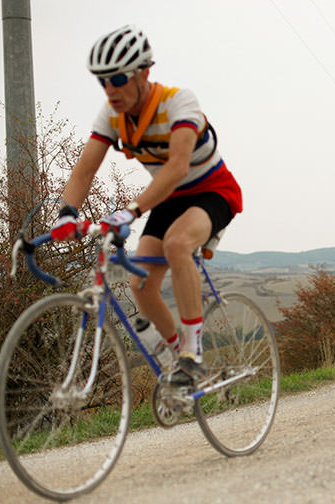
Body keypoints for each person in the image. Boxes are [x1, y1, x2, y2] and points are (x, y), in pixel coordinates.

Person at [51, 25, 242, 385]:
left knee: (177, 244)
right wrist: (65, 214)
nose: (110, 90)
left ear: (143, 73)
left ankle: (193, 351)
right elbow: (84, 170)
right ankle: (179, 362)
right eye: (102, 81)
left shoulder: (178, 102)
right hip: (169, 198)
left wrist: (132, 210)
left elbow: (177, 166)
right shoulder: (111, 115)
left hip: (212, 191)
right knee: (140, 285)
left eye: (118, 78)